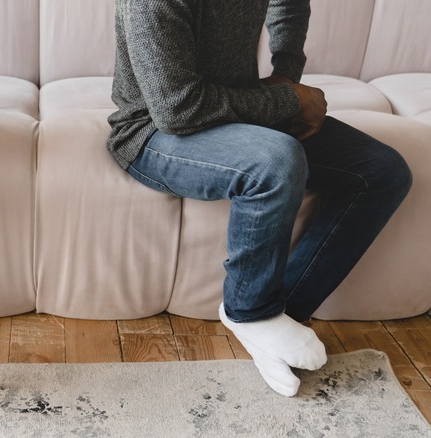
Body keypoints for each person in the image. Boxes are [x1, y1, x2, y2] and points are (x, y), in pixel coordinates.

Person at [107, 0, 411, 396]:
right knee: (276, 160)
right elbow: (176, 108)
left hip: (238, 109)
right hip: (154, 132)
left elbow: (290, 4)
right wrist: (291, 99)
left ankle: (278, 318)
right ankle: (249, 312)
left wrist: (286, 74)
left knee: (383, 171)